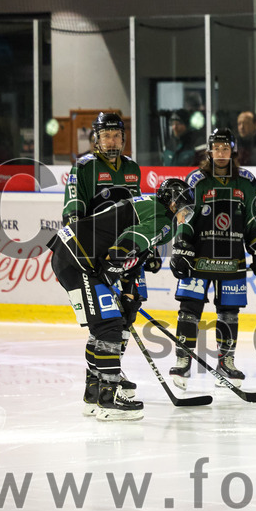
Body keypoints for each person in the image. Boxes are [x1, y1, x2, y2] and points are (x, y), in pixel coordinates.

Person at [47, 178, 194, 421]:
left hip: (74, 254)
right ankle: (109, 399)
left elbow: (136, 256)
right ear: (172, 204)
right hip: (79, 258)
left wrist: (128, 292)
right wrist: (114, 263)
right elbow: (130, 239)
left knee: (102, 327)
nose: (184, 216)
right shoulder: (164, 222)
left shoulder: (151, 206)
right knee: (109, 327)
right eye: (183, 209)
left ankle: (94, 396)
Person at [168, 128, 256, 389]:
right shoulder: (196, 180)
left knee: (229, 312)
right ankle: (183, 360)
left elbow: (252, 220)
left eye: (226, 148)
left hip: (232, 257)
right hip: (198, 256)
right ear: (209, 151)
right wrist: (181, 244)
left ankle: (226, 361)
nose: (221, 153)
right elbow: (186, 216)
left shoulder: (246, 182)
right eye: (217, 148)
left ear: (233, 150)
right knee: (189, 309)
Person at [62, 112, 152, 402]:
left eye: (116, 136)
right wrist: (82, 245)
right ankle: (99, 379)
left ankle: (109, 371)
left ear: (124, 139)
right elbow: (73, 208)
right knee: (104, 322)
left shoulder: (132, 169)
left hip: (127, 253)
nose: (111, 141)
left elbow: (139, 213)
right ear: (96, 139)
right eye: (105, 136)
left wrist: (144, 249)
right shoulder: (84, 167)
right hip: (98, 256)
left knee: (128, 314)